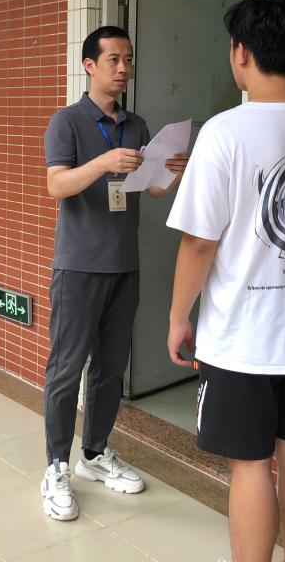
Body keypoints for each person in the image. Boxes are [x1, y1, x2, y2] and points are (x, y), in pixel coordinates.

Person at [164, 0, 285, 562]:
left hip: (244, 331)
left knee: (250, 463)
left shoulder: (225, 131)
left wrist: (178, 317)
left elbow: (199, 241)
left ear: (241, 52)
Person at [39, 26, 187, 521]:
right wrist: (103, 162)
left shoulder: (137, 125)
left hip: (125, 264)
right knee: (66, 368)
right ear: (89, 65)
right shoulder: (67, 122)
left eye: (128, 59)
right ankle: (56, 465)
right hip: (79, 266)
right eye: (113, 60)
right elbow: (57, 185)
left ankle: (95, 452)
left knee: (110, 370)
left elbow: (151, 189)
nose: (124, 69)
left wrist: (172, 170)